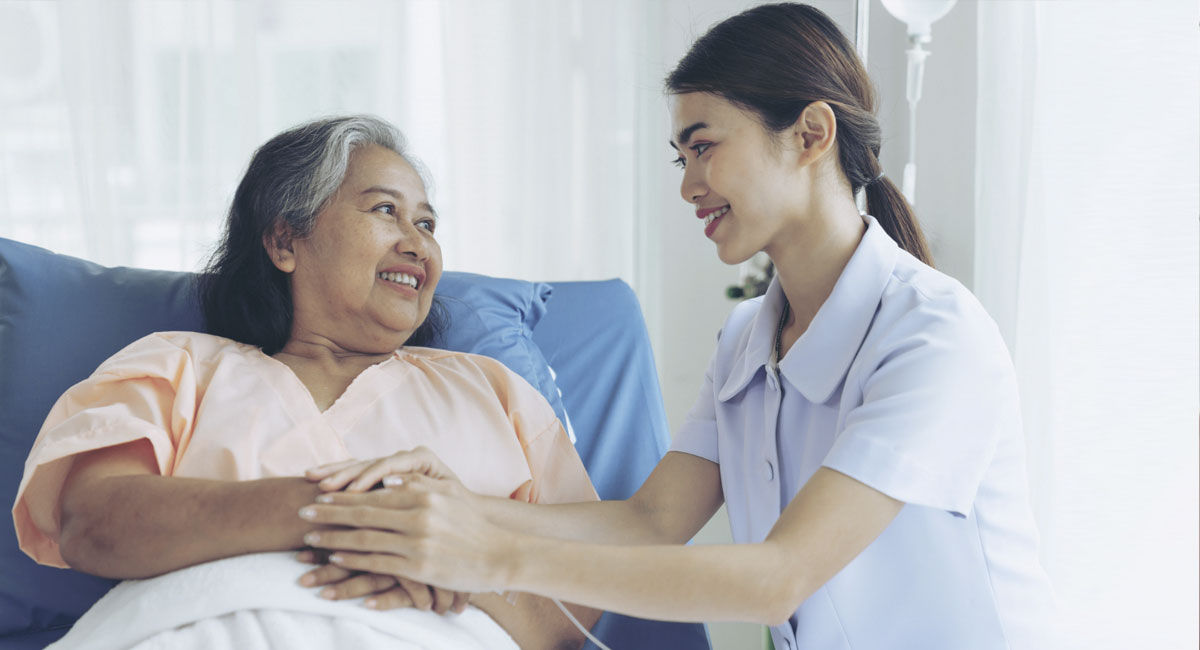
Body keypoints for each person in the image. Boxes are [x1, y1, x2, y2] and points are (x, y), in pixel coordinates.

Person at [292, 5, 1056, 649]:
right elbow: (651, 521)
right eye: (680, 155)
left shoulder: (932, 335)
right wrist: (453, 506)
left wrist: (490, 552)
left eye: (704, 146)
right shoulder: (749, 339)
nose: (689, 184)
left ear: (811, 135)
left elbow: (777, 578)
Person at [12, 115, 600, 650]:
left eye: (427, 223)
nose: (418, 242)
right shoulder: (178, 366)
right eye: (385, 210)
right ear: (285, 241)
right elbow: (94, 523)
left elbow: (589, 582)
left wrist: (457, 571)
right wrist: (353, 514)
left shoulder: (490, 390)